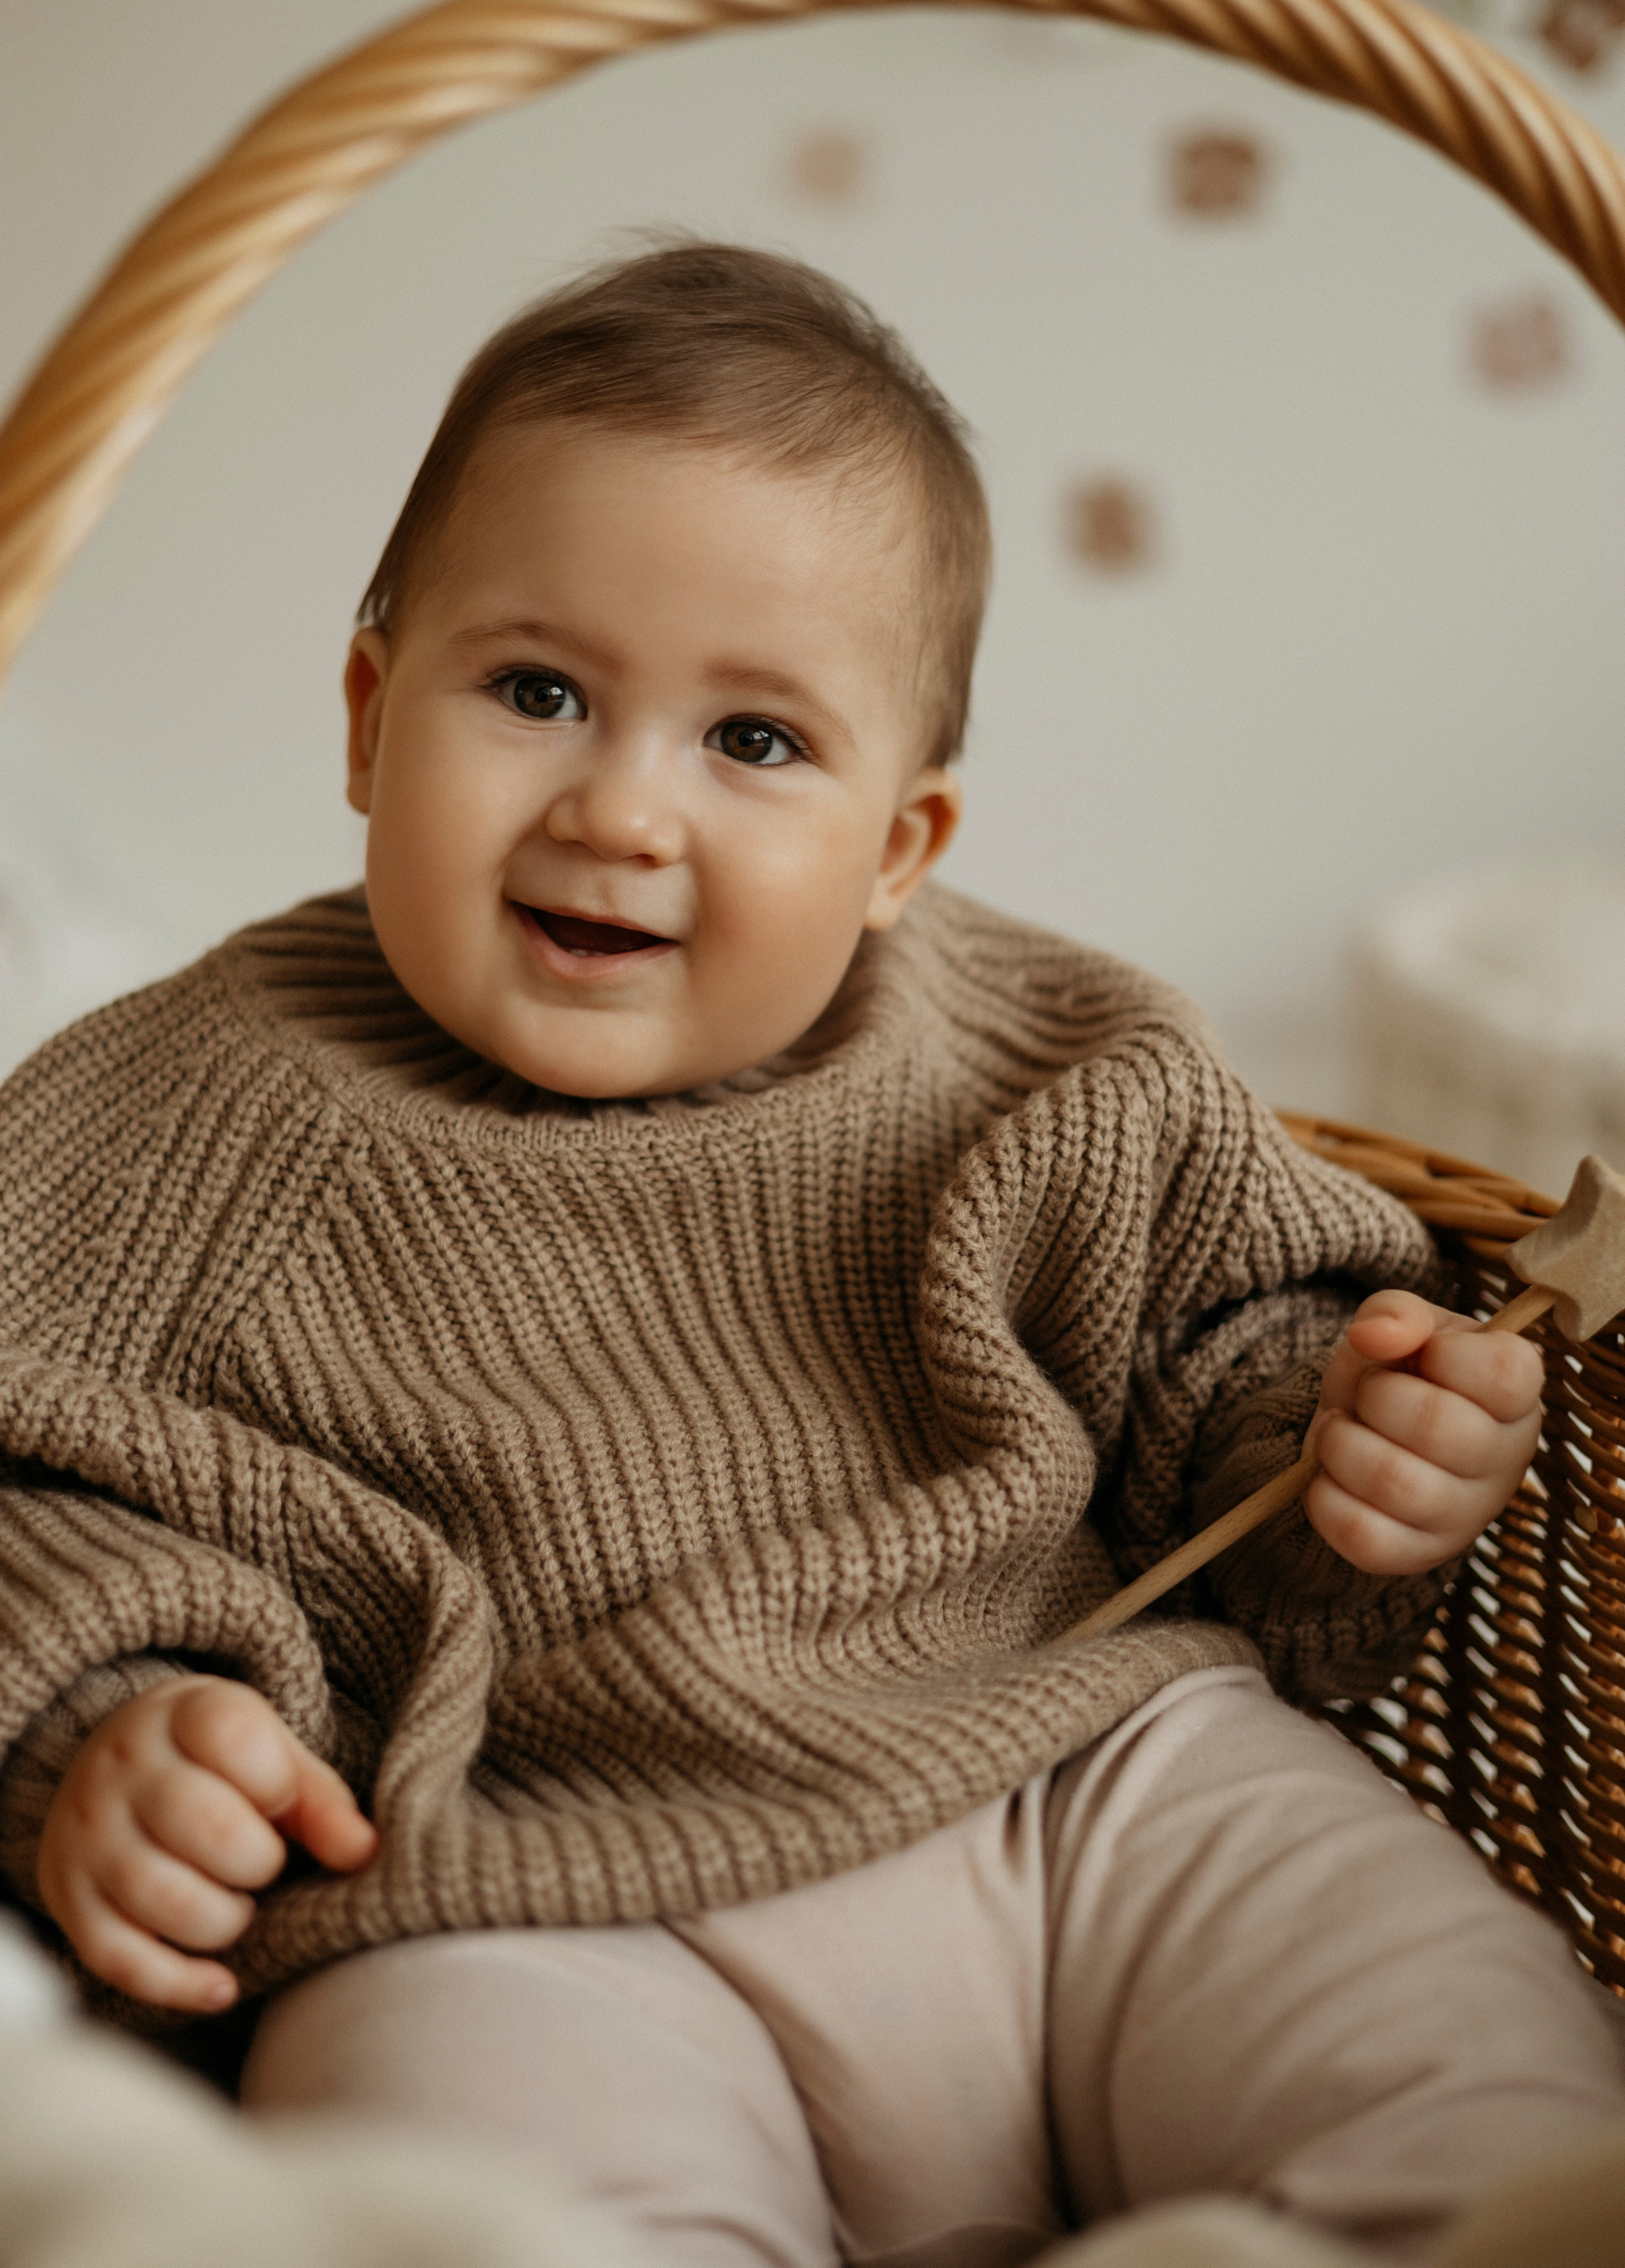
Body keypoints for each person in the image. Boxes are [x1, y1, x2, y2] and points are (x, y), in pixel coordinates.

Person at [0, 244, 1617, 2268]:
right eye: (533, 691)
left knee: (1490, 2087)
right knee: (450, 2213)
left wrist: (1347, 1450)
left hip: (1082, 1786)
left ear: (900, 851)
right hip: (528, 1899)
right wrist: (117, 1718)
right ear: (364, 711)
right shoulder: (180, 1113)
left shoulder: (1058, 1065)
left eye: (752, 743)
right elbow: (32, 1470)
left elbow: (1239, 1349)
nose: (620, 806)